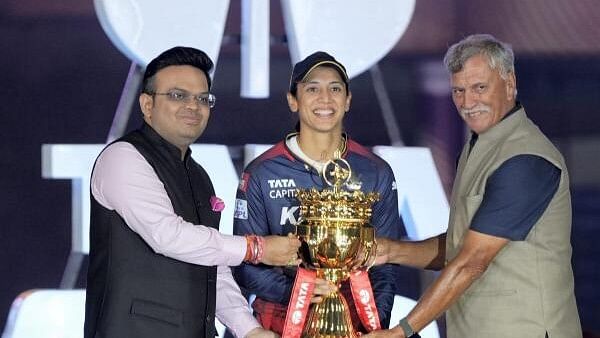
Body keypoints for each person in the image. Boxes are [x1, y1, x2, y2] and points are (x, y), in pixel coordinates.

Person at [363, 34, 582, 338]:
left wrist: (402, 332)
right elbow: (460, 246)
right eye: (458, 91)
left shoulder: (525, 157)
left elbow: (471, 262)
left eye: (480, 88)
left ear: (509, 82)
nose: (467, 102)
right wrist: (390, 251)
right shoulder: (481, 146)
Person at [84, 46, 301, 338]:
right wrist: (256, 248)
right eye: (177, 95)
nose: (193, 106)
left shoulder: (198, 176)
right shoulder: (123, 157)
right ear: (147, 105)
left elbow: (212, 265)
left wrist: (249, 329)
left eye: (203, 98)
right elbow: (168, 235)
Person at [232, 51, 403, 334]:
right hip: (279, 324)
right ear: (293, 100)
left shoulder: (375, 171)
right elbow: (244, 263)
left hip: (354, 321)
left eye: (335, 88)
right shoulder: (262, 172)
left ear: (347, 100)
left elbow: (386, 265)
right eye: (313, 89)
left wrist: (375, 325)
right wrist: (300, 291)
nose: (325, 98)